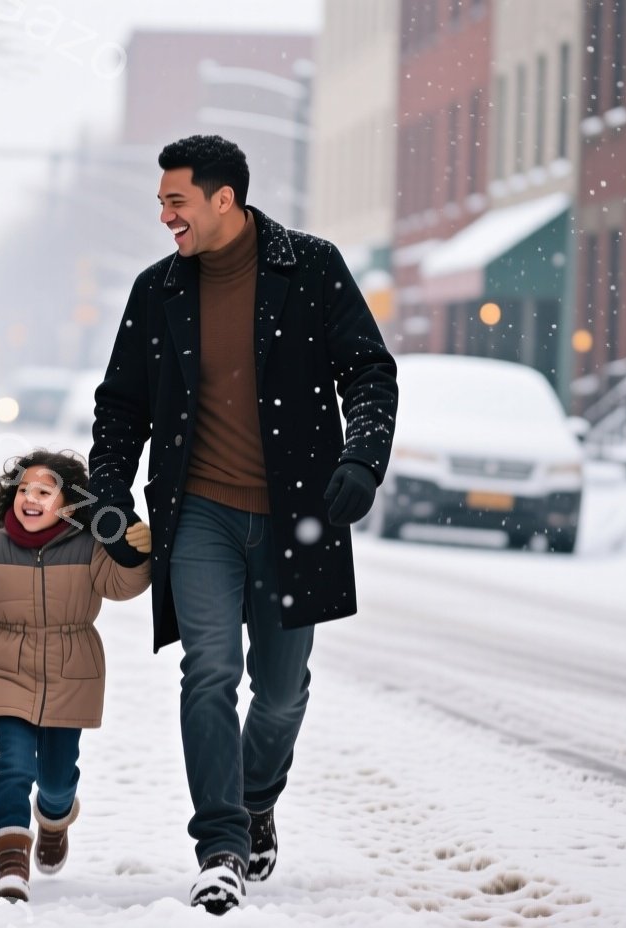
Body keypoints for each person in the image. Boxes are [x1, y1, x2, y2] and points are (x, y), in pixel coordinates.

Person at [87, 135, 398, 914]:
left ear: (222, 199)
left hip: (299, 515)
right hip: (199, 515)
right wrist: (109, 494)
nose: (165, 216)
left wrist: (363, 457)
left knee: (283, 692)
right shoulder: (158, 289)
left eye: (176, 201)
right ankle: (220, 846)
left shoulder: (312, 268)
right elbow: (121, 405)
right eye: (162, 202)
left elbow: (369, 370)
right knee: (209, 670)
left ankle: (257, 797)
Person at [0, 449, 152, 903]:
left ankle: (54, 817)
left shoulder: (89, 547)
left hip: (71, 673)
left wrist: (134, 552)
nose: (30, 498)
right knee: (13, 765)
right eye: (24, 489)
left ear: (70, 503)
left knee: (57, 778)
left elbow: (122, 585)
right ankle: (10, 862)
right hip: (8, 668)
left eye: (45, 491)